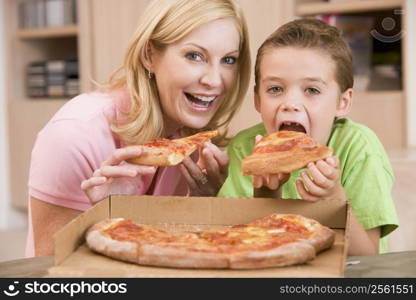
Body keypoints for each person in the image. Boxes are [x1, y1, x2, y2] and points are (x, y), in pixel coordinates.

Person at [27, 0, 251, 257]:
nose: (214, 80)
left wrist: (205, 204)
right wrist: (108, 215)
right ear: (149, 56)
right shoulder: (73, 134)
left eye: (229, 60)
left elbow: (173, 253)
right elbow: (50, 269)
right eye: (194, 56)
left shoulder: (192, 136)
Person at [218, 19, 399, 256]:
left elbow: (367, 255)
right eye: (275, 89)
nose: (290, 104)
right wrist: (266, 193)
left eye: (312, 90)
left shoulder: (359, 148)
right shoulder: (245, 149)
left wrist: (333, 196)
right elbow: (242, 245)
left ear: (342, 102)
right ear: (258, 99)